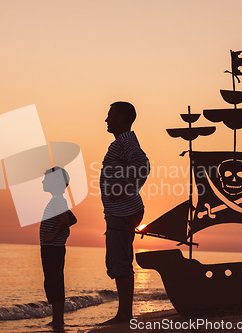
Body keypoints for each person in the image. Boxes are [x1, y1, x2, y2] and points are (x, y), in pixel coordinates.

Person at [99, 101, 150, 325]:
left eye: (110, 115)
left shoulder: (125, 141)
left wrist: (121, 190)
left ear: (120, 118)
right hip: (121, 210)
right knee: (121, 260)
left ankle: (124, 315)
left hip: (123, 211)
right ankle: (125, 313)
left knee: (119, 261)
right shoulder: (123, 142)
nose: (106, 120)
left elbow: (142, 164)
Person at [39, 166, 74, 330]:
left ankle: (58, 320)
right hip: (54, 248)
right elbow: (71, 219)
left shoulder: (56, 200)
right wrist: (60, 234)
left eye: (46, 179)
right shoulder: (59, 200)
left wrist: (53, 237)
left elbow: (66, 221)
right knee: (53, 281)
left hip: (52, 248)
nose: (43, 181)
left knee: (53, 282)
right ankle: (57, 319)